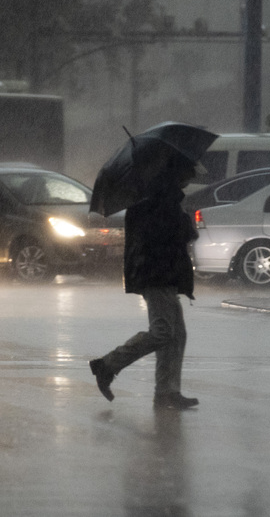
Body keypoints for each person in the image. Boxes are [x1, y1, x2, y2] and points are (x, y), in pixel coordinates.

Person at [89, 149, 201, 410]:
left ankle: (167, 391)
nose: (190, 178)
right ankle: (107, 365)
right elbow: (169, 235)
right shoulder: (158, 199)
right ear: (175, 173)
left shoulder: (159, 196)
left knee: (176, 334)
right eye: (187, 173)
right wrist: (186, 226)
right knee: (164, 332)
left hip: (162, 272)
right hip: (156, 273)